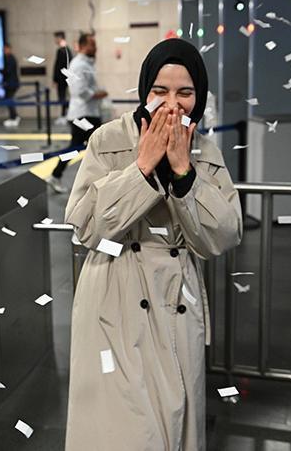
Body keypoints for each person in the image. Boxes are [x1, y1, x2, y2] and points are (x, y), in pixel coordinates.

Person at [64, 38, 242, 451]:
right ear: (145, 91)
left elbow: (221, 236)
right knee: (121, 429)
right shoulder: (107, 141)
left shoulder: (206, 153)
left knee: (174, 422)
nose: (171, 105)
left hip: (177, 303)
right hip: (113, 300)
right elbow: (86, 226)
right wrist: (141, 168)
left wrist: (185, 175)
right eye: (159, 91)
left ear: (198, 98)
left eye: (185, 93)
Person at [48, 33, 106, 193]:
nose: (95, 48)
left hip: (88, 113)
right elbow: (78, 90)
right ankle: (56, 175)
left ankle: (56, 175)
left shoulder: (86, 63)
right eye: (91, 44)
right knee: (97, 146)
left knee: (88, 147)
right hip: (83, 115)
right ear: (82, 46)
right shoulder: (79, 64)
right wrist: (97, 94)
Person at [53, 31, 73, 125]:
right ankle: (64, 115)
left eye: (56, 38)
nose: (55, 40)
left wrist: (55, 79)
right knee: (64, 97)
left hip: (62, 79)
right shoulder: (67, 50)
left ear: (60, 38)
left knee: (62, 97)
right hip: (66, 78)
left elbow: (58, 66)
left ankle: (64, 115)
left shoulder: (62, 50)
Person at [0, 43, 21, 127]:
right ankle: (13, 117)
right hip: (10, 83)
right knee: (9, 100)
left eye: (5, 49)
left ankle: (14, 117)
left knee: (9, 100)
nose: (4, 51)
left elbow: (8, 72)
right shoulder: (8, 58)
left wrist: (1, 71)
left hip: (11, 84)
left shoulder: (10, 59)